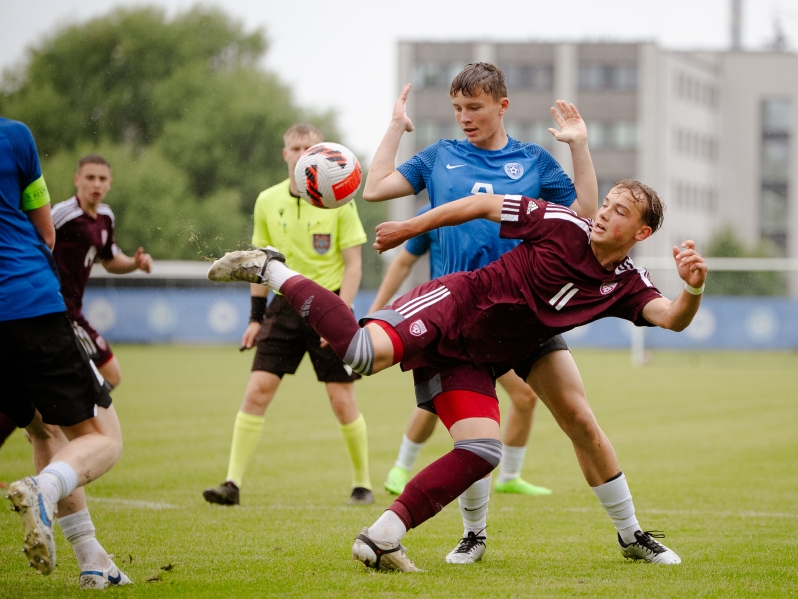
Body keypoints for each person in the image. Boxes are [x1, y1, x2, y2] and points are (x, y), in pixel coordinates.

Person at [207, 180, 709, 571]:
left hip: (501, 348)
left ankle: (382, 535)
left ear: (642, 233)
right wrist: (410, 228)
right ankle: (273, 269)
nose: (604, 213)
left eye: (620, 211)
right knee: (360, 354)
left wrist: (692, 290)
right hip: (456, 307)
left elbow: (671, 317)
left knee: (486, 449)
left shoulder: (626, 282)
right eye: (608, 204)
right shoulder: (561, 223)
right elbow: (480, 206)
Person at [361, 62, 597, 563]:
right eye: (457, 109)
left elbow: (585, 214)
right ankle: (474, 535)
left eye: (474, 107)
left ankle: (632, 533)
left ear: (502, 105)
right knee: (472, 431)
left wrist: (578, 144)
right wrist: (396, 128)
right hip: (460, 318)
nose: (464, 117)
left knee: (576, 414)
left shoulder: (533, 161)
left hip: (525, 313)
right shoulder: (439, 157)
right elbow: (375, 187)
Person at [202, 123, 374, 507]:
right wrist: (254, 318)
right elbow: (257, 264)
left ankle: (362, 485)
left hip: (328, 303)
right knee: (257, 391)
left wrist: (340, 317)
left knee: (342, 400)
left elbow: (354, 266)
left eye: (310, 148)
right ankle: (232, 484)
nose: (301, 155)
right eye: (295, 148)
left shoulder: (340, 202)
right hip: (283, 307)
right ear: (286, 155)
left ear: (322, 153)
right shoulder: (266, 200)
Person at [1, 116, 131, 588]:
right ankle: (44, 488)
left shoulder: (106, 218)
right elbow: (46, 234)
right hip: (30, 304)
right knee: (104, 436)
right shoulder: (14, 136)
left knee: (42, 428)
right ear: (78, 180)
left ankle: (92, 560)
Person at [372, 207, 551, 498]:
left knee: (525, 396)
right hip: (446, 318)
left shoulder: (504, 209)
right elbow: (403, 261)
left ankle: (510, 475)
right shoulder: (433, 213)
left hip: (495, 322)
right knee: (433, 402)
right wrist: (376, 310)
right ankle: (401, 467)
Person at [51, 154, 153, 389]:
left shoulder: (106, 217)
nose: (96, 184)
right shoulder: (63, 214)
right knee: (110, 374)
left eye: (102, 178)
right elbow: (32, 240)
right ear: (77, 180)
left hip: (73, 311)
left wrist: (135, 264)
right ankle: (76, 421)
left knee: (51, 386)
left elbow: (109, 260)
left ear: (109, 183)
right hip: (60, 311)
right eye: (90, 177)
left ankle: (56, 420)